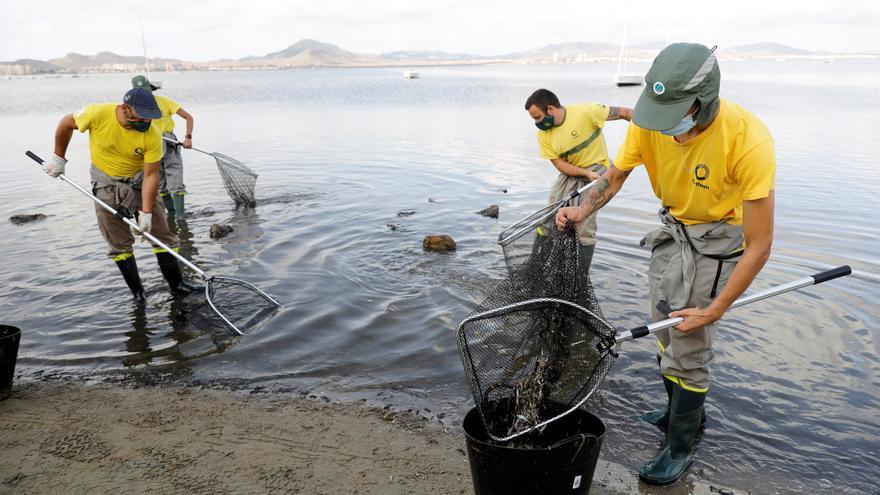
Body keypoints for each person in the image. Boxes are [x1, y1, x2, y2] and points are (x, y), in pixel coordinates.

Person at [556, 43, 775, 485]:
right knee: (662, 326)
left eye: (675, 110)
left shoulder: (748, 140)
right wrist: (582, 210)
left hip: (718, 240)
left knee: (690, 340)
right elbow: (614, 177)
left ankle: (681, 444)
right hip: (672, 231)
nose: (664, 123)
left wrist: (718, 308)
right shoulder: (650, 121)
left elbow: (760, 244)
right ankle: (679, 411)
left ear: (705, 99)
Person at [43, 87, 200, 303]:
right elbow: (65, 124)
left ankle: (177, 285)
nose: (145, 123)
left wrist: (146, 212)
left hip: (138, 181)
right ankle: (138, 294)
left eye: (149, 119)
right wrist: (58, 158)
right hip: (105, 183)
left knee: (162, 234)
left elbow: (151, 176)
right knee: (118, 242)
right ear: (125, 109)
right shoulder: (97, 114)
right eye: (141, 118)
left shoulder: (152, 134)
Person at [524, 89, 632, 277]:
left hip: (598, 173)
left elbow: (625, 112)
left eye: (538, 117)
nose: (537, 123)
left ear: (550, 109)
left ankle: (578, 282)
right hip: (571, 174)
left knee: (583, 227)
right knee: (549, 219)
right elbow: (559, 163)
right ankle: (534, 272)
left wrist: (650, 133)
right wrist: (584, 173)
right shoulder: (544, 135)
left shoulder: (586, 112)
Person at [131, 75, 194, 221]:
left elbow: (188, 117)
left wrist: (188, 137)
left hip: (169, 143)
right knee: (159, 183)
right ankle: (170, 214)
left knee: (176, 182)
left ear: (151, 89)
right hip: (149, 146)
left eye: (146, 90)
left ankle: (181, 218)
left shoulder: (165, 102)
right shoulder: (133, 107)